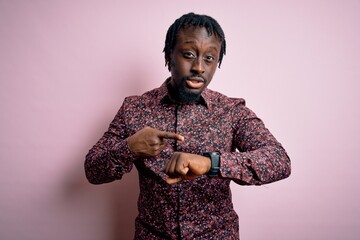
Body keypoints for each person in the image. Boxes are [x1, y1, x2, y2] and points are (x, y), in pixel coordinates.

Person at [84, 12, 291, 239]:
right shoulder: (134, 109)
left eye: (209, 58)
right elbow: (92, 170)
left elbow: (279, 160)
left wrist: (211, 163)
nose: (199, 67)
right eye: (189, 54)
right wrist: (129, 148)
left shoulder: (232, 111)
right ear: (168, 56)